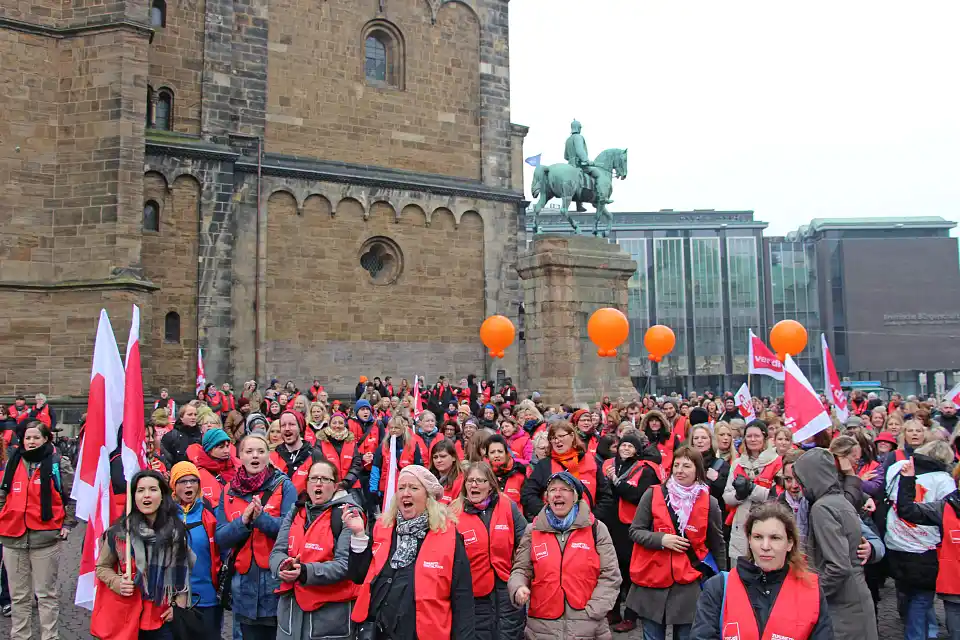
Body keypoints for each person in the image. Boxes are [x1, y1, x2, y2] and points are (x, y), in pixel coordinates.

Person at [345, 464, 476, 640]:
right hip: (376, 631)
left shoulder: (449, 536)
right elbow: (358, 575)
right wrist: (359, 535)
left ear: (428, 496)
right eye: (401, 488)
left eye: (414, 488)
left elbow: (462, 599)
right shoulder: (383, 528)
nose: (405, 493)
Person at [691, 502, 834, 640]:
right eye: (758, 537)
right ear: (749, 540)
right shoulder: (719, 587)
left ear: (790, 543)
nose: (765, 546)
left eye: (775, 538)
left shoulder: (810, 589)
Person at [627, 445, 726, 640]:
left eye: (686, 466)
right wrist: (661, 539)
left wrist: (722, 582)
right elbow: (635, 531)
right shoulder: (653, 494)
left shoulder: (710, 502)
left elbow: (717, 544)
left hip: (689, 582)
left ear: (698, 470)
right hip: (652, 578)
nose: (680, 470)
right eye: (676, 465)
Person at [508, 471, 621, 640]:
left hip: (587, 626)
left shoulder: (596, 529)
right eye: (552, 490)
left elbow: (611, 575)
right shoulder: (533, 530)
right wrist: (518, 588)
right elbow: (521, 570)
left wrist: (595, 610)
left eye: (564, 489)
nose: (557, 494)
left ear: (575, 496)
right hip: (542, 626)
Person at [215, 432, 298, 640]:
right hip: (242, 586)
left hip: (275, 581)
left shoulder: (284, 486)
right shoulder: (228, 491)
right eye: (249, 451)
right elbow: (221, 537)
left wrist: (261, 519)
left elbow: (292, 531)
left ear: (268, 455)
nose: (255, 456)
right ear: (240, 456)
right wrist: (242, 522)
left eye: (261, 451)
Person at [92, 470, 191, 640]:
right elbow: (102, 567)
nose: (147, 495)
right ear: (133, 496)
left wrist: (179, 605)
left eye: (153, 489)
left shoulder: (176, 532)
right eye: (140, 490)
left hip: (161, 617)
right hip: (127, 617)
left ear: (162, 495)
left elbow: (183, 573)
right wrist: (117, 582)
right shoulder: (119, 533)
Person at [270, 459, 362, 640]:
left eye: (325, 479)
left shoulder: (348, 515)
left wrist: (304, 571)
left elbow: (346, 565)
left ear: (335, 486)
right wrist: (282, 566)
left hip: (329, 621)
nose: (318, 483)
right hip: (291, 619)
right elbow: (276, 551)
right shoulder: (296, 511)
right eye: (313, 478)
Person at [794, 448, 878, 640]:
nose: (800, 487)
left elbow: (838, 567)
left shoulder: (822, 508)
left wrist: (812, 594)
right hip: (855, 601)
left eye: (802, 481)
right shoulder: (839, 501)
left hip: (843, 609)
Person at [0, 422, 68, 640]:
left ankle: (50, 637)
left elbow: (72, 496)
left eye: (35, 437)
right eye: (27, 438)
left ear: (46, 439)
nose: (31, 442)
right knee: (19, 597)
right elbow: (3, 494)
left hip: (45, 537)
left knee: (46, 595)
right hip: (13, 537)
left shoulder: (57, 462)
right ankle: (20, 637)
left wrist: (67, 524)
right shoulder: (14, 461)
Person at [883, 440, 956, 640]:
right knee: (922, 598)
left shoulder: (899, 467)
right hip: (925, 547)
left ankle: (926, 629)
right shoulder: (943, 480)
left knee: (907, 591)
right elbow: (948, 514)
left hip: (896, 539)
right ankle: (918, 634)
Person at [452, 463, 527, 640]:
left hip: (506, 588)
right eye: (470, 480)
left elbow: (526, 542)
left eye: (480, 480)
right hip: (473, 592)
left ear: (491, 484)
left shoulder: (507, 505)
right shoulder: (454, 512)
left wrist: (519, 574)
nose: (474, 485)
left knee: (509, 634)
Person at [604, 433, 662, 632]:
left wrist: (616, 482)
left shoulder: (644, 469)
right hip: (613, 524)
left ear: (637, 450)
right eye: (623, 445)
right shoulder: (612, 465)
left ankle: (630, 615)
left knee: (632, 572)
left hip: (632, 525)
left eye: (630, 446)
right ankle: (613, 611)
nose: (626, 449)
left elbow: (636, 495)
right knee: (614, 569)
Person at [169, 461, 223, 636]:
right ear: (173, 486)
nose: (189, 485)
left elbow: (220, 553)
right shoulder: (165, 517)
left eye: (193, 480)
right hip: (174, 601)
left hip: (206, 598)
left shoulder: (209, 515)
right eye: (182, 481)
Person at [521, 420, 612, 520]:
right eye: (553, 438)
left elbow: (605, 496)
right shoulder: (545, 465)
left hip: (586, 526)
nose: (557, 441)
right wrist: (548, 515)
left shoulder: (591, 461)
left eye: (561, 436)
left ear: (572, 436)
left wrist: (593, 518)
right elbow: (528, 494)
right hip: (554, 528)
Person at [724, 420, 782, 561]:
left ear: (765, 438)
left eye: (757, 436)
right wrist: (739, 495)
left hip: (767, 524)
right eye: (749, 436)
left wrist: (752, 489)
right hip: (741, 526)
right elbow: (727, 496)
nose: (753, 439)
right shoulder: (738, 463)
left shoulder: (777, 462)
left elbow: (777, 496)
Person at [270, 410, 324, 495]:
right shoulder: (272, 457)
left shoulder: (315, 455)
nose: (287, 428)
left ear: (300, 428)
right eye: (283, 425)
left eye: (292, 424)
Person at [313, 412, 363, 494]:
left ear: (344, 425)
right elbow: (319, 464)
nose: (337, 425)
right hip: (328, 486)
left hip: (351, 486)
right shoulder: (320, 442)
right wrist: (331, 482)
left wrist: (346, 482)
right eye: (334, 422)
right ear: (329, 424)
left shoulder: (351, 441)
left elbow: (356, 464)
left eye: (340, 423)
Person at [687, 424, 729, 505]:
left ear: (710, 442)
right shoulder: (685, 463)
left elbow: (728, 493)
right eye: (696, 438)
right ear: (692, 443)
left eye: (704, 438)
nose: (699, 441)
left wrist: (717, 480)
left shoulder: (721, 465)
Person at [194, 427, 236, 507]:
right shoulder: (199, 474)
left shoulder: (236, 467)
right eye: (221, 447)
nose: (226, 450)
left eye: (227, 446)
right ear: (209, 449)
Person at [486, 434, 526, 506]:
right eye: (492, 452)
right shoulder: (483, 476)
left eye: (500, 451)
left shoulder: (519, 475)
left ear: (506, 453)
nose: (496, 455)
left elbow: (527, 505)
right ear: (487, 456)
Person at [430, 439, 464, 505]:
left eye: (443, 456)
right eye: (435, 457)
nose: (438, 460)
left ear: (454, 457)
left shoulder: (461, 480)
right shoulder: (428, 479)